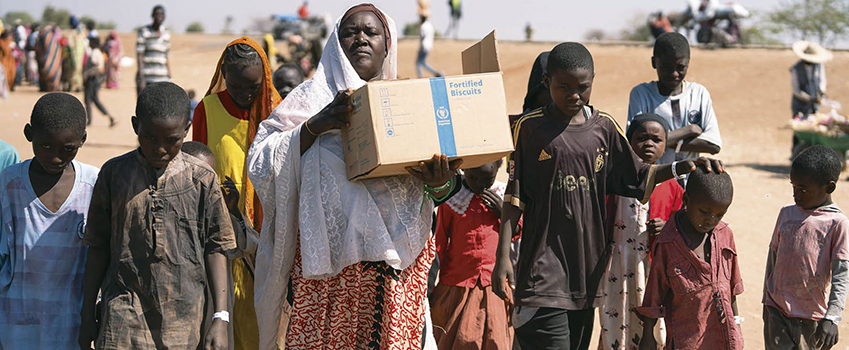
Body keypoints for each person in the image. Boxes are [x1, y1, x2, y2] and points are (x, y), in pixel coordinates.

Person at [248, 4, 458, 349]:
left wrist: (438, 182)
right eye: (350, 32)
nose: (360, 39)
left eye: (371, 32)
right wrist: (316, 125)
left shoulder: (410, 104)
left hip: (393, 275)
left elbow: (444, 190)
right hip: (326, 276)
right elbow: (260, 161)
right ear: (335, 43)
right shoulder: (309, 100)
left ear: (386, 45)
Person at [491, 42, 723, 350]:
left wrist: (685, 164)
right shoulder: (530, 128)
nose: (574, 95)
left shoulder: (604, 129)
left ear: (592, 82)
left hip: (587, 271)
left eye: (582, 88)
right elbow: (515, 197)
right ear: (547, 82)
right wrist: (502, 256)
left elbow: (641, 178)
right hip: (541, 270)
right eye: (564, 87)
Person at [78, 82, 236, 349]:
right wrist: (85, 316)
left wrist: (220, 317)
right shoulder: (114, 174)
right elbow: (98, 245)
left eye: (171, 140)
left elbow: (216, 246)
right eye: (150, 137)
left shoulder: (202, 179)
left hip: (184, 321)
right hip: (122, 317)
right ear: (135, 125)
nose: (159, 148)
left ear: (186, 130)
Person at [192, 37, 282, 350]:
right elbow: (197, 167)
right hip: (223, 237)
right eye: (236, 86)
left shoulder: (278, 111)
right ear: (224, 76)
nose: (245, 94)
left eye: (253, 86)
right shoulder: (207, 110)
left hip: (268, 239)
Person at [0, 93, 98, 349]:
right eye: (45, 146)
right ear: (29, 133)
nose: (55, 157)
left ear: (82, 140)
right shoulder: (8, 184)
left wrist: (90, 317)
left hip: (72, 325)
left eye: (67, 149)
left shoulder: (93, 185)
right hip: (14, 324)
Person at [599, 114, 684, 350]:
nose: (649, 144)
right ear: (629, 142)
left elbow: (682, 224)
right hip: (617, 264)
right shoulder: (615, 179)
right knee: (615, 322)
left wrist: (667, 226)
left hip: (652, 266)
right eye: (641, 138)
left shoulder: (672, 185)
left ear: (665, 145)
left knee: (655, 328)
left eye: (656, 140)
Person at [637, 165, 743, 350]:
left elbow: (731, 290)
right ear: (686, 200)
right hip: (686, 341)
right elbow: (654, 295)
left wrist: (736, 327)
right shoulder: (668, 243)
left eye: (719, 214)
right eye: (704, 212)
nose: (711, 220)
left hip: (725, 339)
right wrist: (648, 336)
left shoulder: (726, 235)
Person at [762, 145, 848, 350]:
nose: (796, 195)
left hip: (812, 319)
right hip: (777, 311)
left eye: (803, 189)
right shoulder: (786, 214)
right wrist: (767, 299)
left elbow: (841, 275)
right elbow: (773, 256)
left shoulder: (837, 223)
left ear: (829, 187)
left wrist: (832, 318)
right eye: (793, 187)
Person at [182, 141, 264, 350]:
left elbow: (247, 246)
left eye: (210, 177)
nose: (204, 184)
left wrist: (232, 212)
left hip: (214, 319)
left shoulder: (219, 215)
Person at [430, 159, 513, 349]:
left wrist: (502, 213)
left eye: (487, 178)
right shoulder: (452, 199)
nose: (479, 183)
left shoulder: (501, 196)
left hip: (495, 286)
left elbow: (517, 231)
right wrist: (432, 287)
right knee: (457, 339)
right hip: (457, 286)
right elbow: (439, 244)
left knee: (495, 340)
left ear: (498, 168)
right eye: (473, 177)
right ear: (463, 169)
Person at [628, 32, 721, 166]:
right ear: (654, 62)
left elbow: (713, 145)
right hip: (655, 179)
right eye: (666, 68)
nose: (674, 74)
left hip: (689, 179)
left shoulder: (699, 94)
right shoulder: (642, 94)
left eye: (681, 67)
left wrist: (659, 142)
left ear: (688, 63)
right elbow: (634, 144)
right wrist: (687, 131)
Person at [789, 41, 832, 158]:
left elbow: (822, 81)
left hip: (814, 104)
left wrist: (821, 93)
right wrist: (809, 98)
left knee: (814, 127)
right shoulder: (796, 69)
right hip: (800, 103)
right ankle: (795, 154)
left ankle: (813, 154)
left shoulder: (818, 66)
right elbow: (796, 90)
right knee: (799, 129)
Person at [136, 5, 172, 95]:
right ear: (152, 16)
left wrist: (170, 75)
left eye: (162, 14)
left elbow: (166, 55)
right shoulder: (144, 32)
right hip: (148, 78)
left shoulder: (166, 33)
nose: (159, 17)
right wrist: (141, 77)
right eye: (157, 14)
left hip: (162, 78)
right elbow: (139, 54)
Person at [82, 36, 115, 127]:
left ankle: (89, 120)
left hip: (91, 79)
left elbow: (96, 64)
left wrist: (87, 74)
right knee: (95, 99)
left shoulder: (94, 53)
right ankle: (109, 117)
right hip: (94, 79)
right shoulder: (99, 52)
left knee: (88, 99)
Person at [35, 24, 62, 92]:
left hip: (49, 59)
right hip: (44, 59)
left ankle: (52, 87)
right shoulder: (44, 38)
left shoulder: (52, 38)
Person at [64, 16, 87, 92]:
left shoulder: (80, 32)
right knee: (73, 71)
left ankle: (77, 86)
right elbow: (70, 45)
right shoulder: (72, 33)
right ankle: (72, 85)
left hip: (78, 55)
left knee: (77, 70)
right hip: (73, 55)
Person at [416, 14, 442, 78]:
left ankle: (421, 76)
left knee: (419, 63)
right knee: (422, 62)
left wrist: (420, 47)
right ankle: (436, 73)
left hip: (424, 46)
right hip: (429, 46)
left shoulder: (423, 26)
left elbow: (422, 37)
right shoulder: (430, 25)